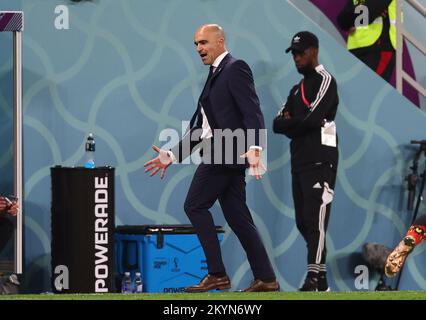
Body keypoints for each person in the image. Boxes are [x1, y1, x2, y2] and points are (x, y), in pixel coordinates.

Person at [144, 24, 279, 293]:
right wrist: (172, 154)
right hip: (224, 152)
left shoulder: (235, 68)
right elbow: (202, 128)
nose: (199, 49)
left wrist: (255, 147)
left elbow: (252, 110)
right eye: (196, 44)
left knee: (194, 205)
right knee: (239, 218)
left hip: (226, 152)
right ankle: (266, 279)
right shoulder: (215, 74)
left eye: (204, 43)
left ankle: (217, 274)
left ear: (220, 41)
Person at [273, 31, 339, 292]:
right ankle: (321, 280)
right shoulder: (295, 89)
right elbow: (277, 123)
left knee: (316, 221)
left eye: (301, 53)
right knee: (303, 221)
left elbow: (312, 120)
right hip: (299, 161)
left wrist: (295, 122)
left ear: (314, 51)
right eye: (294, 54)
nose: (297, 58)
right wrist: (300, 122)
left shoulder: (326, 81)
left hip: (321, 160)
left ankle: (313, 278)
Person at [337, 0, 396, 83]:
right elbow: (342, 20)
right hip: (355, 47)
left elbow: (369, 12)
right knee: (350, 91)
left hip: (379, 47)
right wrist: (363, 11)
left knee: (368, 90)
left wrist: (355, 14)